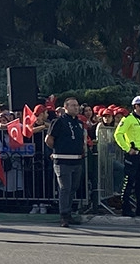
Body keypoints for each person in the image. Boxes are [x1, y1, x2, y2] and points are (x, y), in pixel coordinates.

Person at [44, 97, 85, 227]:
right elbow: (49, 139)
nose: (76, 108)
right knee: (64, 188)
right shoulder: (58, 122)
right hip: (62, 160)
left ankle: (69, 213)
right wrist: (58, 150)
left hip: (76, 161)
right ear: (65, 107)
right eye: (73, 105)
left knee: (73, 188)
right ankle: (63, 215)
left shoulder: (78, 123)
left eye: (77, 105)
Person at [113, 95, 140, 217]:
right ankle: (126, 208)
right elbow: (118, 134)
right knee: (129, 182)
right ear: (137, 106)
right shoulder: (128, 119)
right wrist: (127, 149)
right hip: (133, 156)